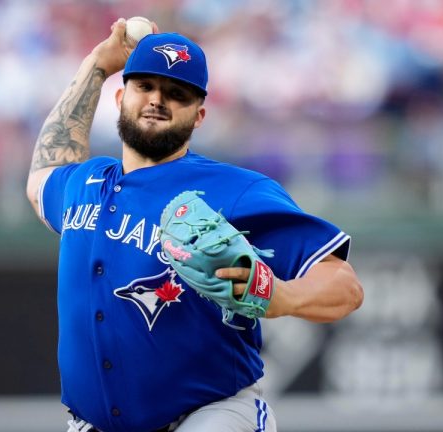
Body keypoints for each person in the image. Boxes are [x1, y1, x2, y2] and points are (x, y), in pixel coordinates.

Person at [25, 18, 363, 432]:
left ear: (199, 115)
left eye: (176, 93)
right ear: (120, 96)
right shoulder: (84, 183)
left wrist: (281, 296)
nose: (157, 100)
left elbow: (345, 285)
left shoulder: (235, 190)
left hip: (210, 414)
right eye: (145, 86)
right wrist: (97, 64)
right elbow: (45, 169)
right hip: (92, 422)